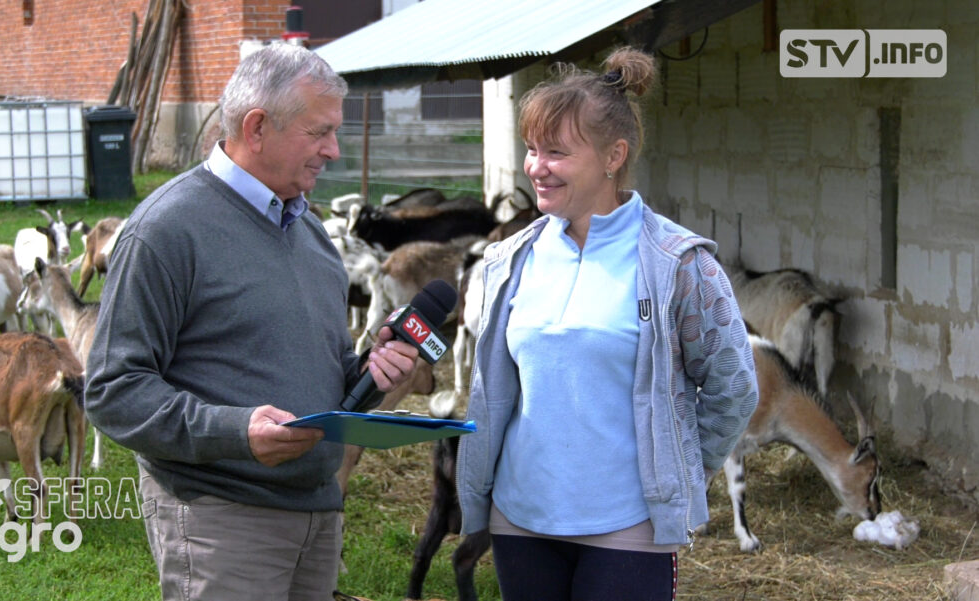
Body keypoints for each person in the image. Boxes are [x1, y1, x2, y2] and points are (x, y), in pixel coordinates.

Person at [84, 42, 419, 601]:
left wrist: (371, 375)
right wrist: (236, 433)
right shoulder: (167, 230)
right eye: (319, 133)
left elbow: (319, 371)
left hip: (318, 513)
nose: (333, 150)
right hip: (222, 518)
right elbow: (113, 390)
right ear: (258, 127)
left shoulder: (310, 233)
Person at [456, 47, 760, 600]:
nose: (536, 168)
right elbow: (494, 392)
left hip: (628, 528)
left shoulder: (677, 264)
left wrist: (678, 473)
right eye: (531, 150)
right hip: (520, 521)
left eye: (556, 152)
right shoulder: (511, 261)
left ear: (613, 155)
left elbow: (733, 389)